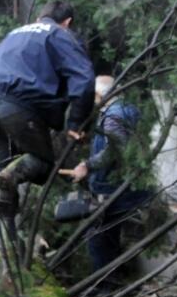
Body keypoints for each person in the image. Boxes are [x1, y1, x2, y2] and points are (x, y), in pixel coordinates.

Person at [0, 1, 95, 234]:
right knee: (41, 164)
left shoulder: (14, 34)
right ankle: (10, 175)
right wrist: (75, 124)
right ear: (68, 22)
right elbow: (84, 79)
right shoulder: (58, 33)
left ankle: (5, 250)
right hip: (18, 106)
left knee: (0, 186)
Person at [64, 75, 152, 275]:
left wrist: (86, 165)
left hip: (112, 191)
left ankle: (105, 289)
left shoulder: (113, 116)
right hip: (128, 187)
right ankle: (114, 283)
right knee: (110, 239)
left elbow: (115, 151)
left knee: (98, 240)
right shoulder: (129, 109)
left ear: (97, 94)